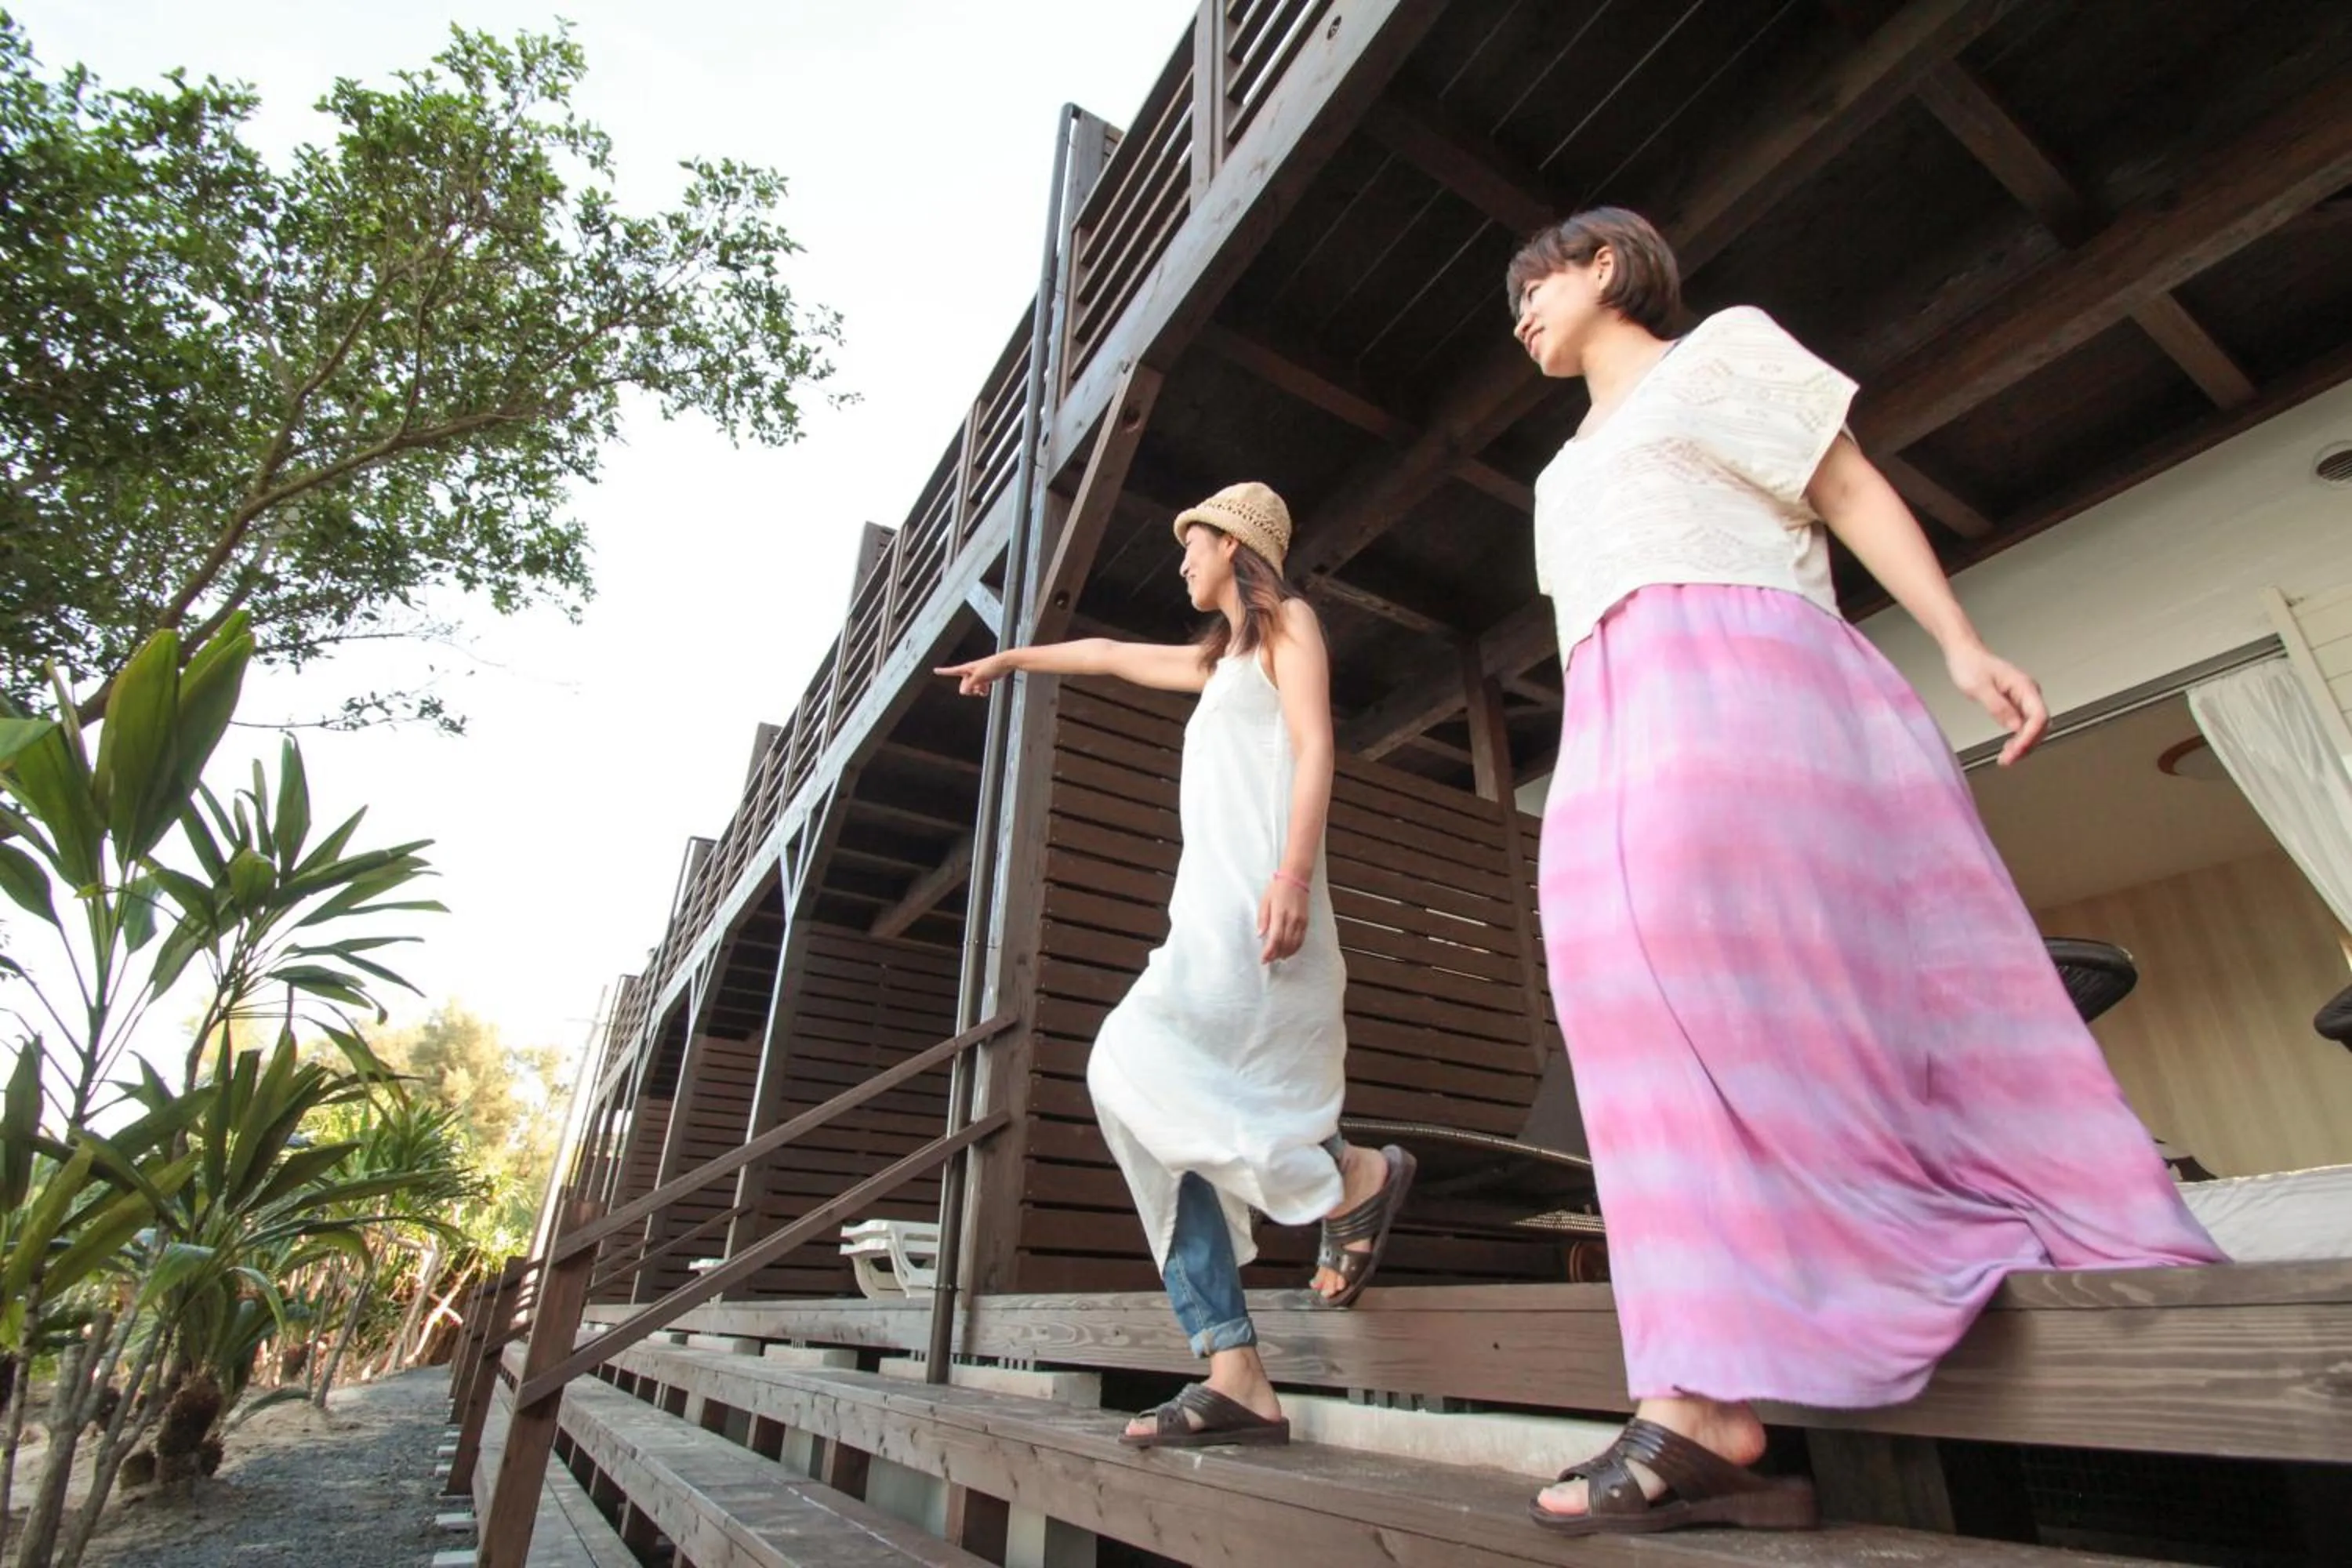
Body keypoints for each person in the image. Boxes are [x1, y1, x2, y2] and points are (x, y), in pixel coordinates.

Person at [1504, 209, 2225, 1537]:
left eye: (1534, 283)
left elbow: (1840, 488)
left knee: (1769, 994)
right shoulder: (1556, 478)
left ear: (1604, 264)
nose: (1520, 314)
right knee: (1626, 1018)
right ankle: (1691, 1387)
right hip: (1615, 721)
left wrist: (1959, 641)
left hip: (1747, 690)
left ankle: (1725, 1389)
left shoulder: (1719, 350)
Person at [937, 481, 1415, 1449]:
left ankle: (1342, 1183)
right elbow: (1109, 655)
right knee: (1146, 1100)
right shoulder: (1216, 659)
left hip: (1262, 909)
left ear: (1235, 544)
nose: (1181, 562)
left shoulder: (1292, 628)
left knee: (1130, 1069)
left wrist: (1291, 870)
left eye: (1191, 544)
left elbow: (1318, 747)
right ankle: (1238, 1358)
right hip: (1202, 920)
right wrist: (1011, 657)